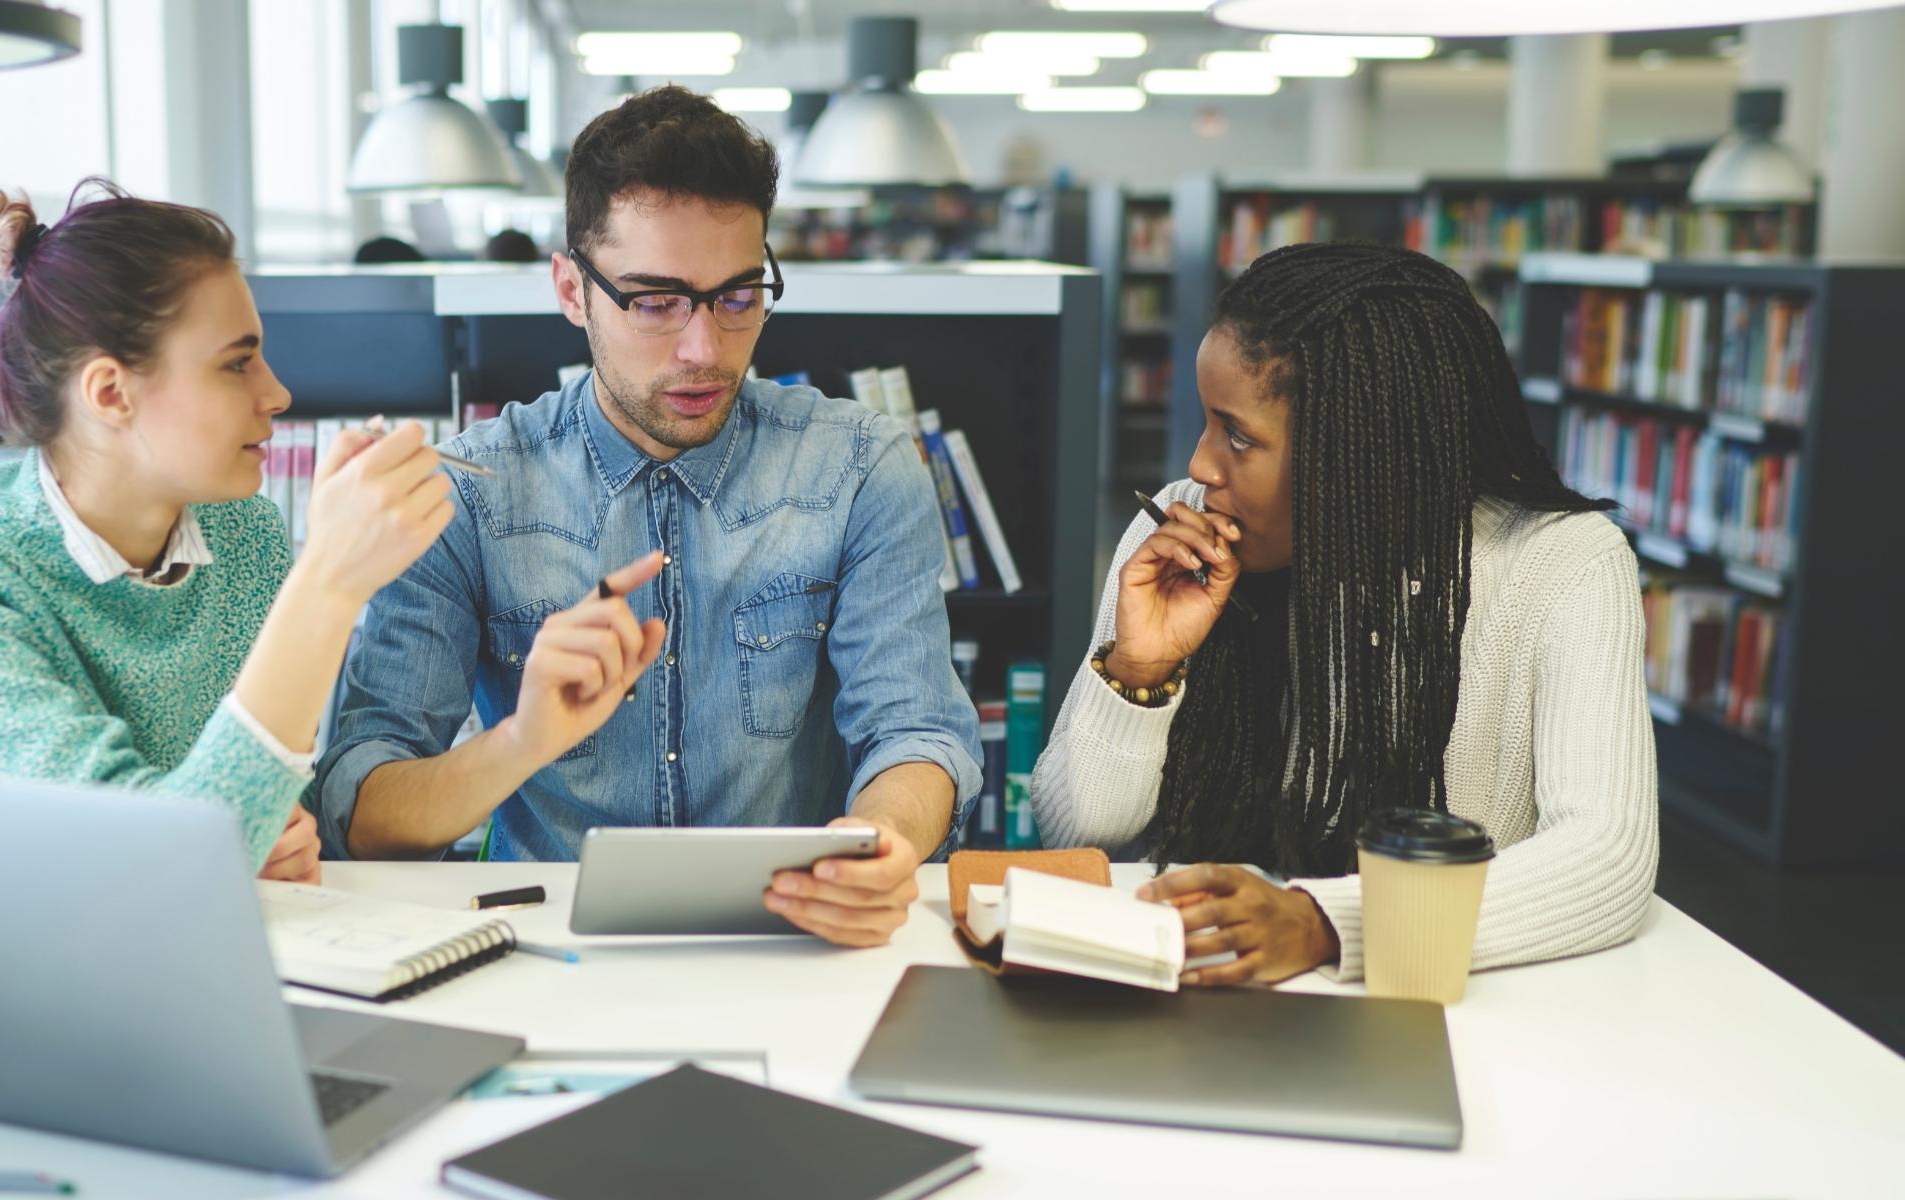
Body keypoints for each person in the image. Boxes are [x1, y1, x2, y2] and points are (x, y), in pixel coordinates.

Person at [313, 86, 981, 947]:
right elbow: (361, 804)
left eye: (738, 296)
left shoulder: (860, 469)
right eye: (656, 301)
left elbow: (916, 728)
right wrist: (521, 738)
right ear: (570, 289)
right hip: (544, 949)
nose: (703, 347)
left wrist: (884, 842)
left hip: (788, 944)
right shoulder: (472, 488)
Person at [1032, 240, 1657, 986]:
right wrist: (1139, 670)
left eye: (1237, 436)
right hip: (1199, 987)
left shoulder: (1566, 564)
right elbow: (1072, 831)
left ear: (1364, 451)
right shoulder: (1178, 536)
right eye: (1207, 423)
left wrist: (1325, 923)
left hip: (1435, 1008)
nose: (1200, 467)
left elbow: (1607, 856)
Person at [0, 179, 455, 885]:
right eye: (237, 364)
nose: (277, 394)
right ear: (111, 392)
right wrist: (327, 583)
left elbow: (245, 812)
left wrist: (277, 833)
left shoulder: (241, 535)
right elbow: (144, 867)